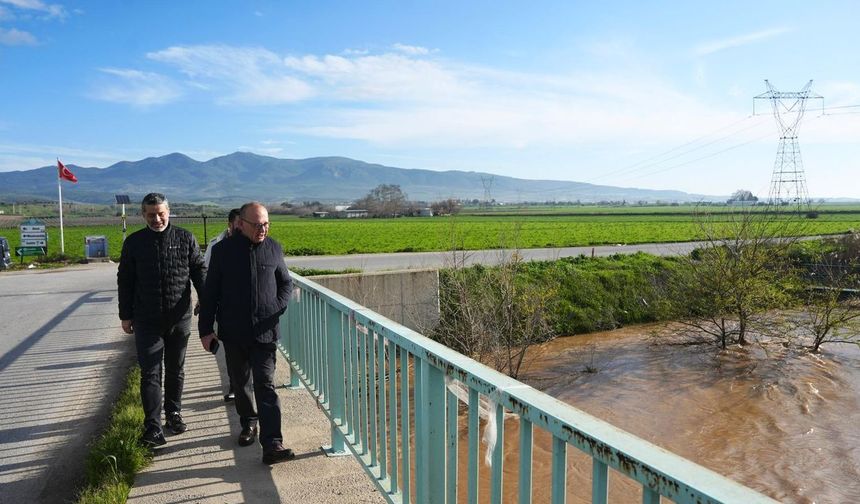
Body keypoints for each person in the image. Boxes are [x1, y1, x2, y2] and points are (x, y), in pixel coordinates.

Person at [198, 202, 295, 464]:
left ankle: (272, 443)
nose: (262, 229)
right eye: (257, 225)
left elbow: (286, 282)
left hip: (265, 332)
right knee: (241, 384)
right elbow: (210, 294)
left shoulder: (274, 248)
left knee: (265, 384)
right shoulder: (222, 252)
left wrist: (277, 306)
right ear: (241, 224)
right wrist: (205, 330)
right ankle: (249, 422)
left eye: (266, 224)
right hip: (233, 332)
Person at [118, 193, 206, 448]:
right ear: (143, 215)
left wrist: (206, 298)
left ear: (169, 212)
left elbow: (199, 270)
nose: (156, 219)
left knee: (176, 369)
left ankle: (174, 414)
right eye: (151, 214)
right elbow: (125, 279)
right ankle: (153, 427)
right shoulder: (134, 243)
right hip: (147, 319)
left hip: (179, 317)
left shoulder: (184, 238)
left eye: (161, 213)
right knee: (150, 373)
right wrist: (126, 315)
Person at [200, 208, 241, 402]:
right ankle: (235, 385)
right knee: (232, 348)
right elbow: (206, 275)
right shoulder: (216, 245)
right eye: (238, 224)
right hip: (225, 306)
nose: (242, 228)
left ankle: (245, 386)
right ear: (230, 225)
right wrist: (204, 301)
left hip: (249, 306)